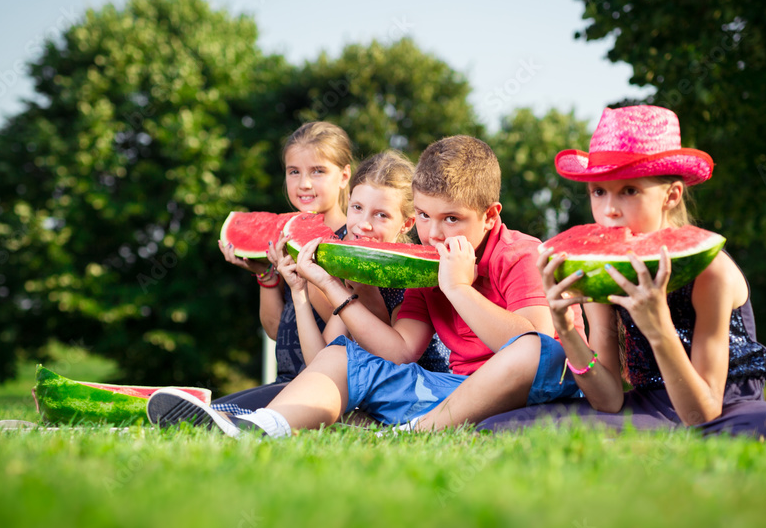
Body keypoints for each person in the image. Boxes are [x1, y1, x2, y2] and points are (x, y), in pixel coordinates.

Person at [147, 135, 564, 437]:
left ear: (490, 216)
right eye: (422, 215)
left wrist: (458, 289)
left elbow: (538, 347)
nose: (432, 234)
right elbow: (401, 352)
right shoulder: (421, 264)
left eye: (451, 219)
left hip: (524, 391)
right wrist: (331, 286)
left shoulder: (519, 254)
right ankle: (260, 428)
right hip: (448, 392)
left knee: (530, 348)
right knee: (344, 355)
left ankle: (413, 433)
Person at [451, 105, 766, 439]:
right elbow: (608, 401)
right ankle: (635, 439)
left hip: (721, 408)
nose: (609, 210)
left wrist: (659, 327)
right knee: (496, 427)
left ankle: (633, 440)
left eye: (629, 191)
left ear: (672, 196)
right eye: (599, 192)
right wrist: (568, 331)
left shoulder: (711, 273)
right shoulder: (601, 268)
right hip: (645, 408)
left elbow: (701, 413)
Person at [210, 151, 450, 419]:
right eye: (357, 208)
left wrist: (347, 289)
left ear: (407, 223)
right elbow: (319, 363)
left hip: (421, 399)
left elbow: (397, 356)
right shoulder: (351, 271)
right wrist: (299, 291)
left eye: (381, 215)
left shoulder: (414, 277)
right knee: (219, 410)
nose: (364, 225)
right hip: (367, 396)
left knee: (262, 412)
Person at [213, 121, 352, 411]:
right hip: (288, 377)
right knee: (210, 410)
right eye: (294, 172)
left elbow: (346, 322)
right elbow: (277, 330)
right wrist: (265, 274)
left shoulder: (350, 241)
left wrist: (306, 276)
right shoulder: (287, 235)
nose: (304, 184)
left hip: (326, 383)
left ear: (344, 175)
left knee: (217, 415)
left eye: (318, 171)